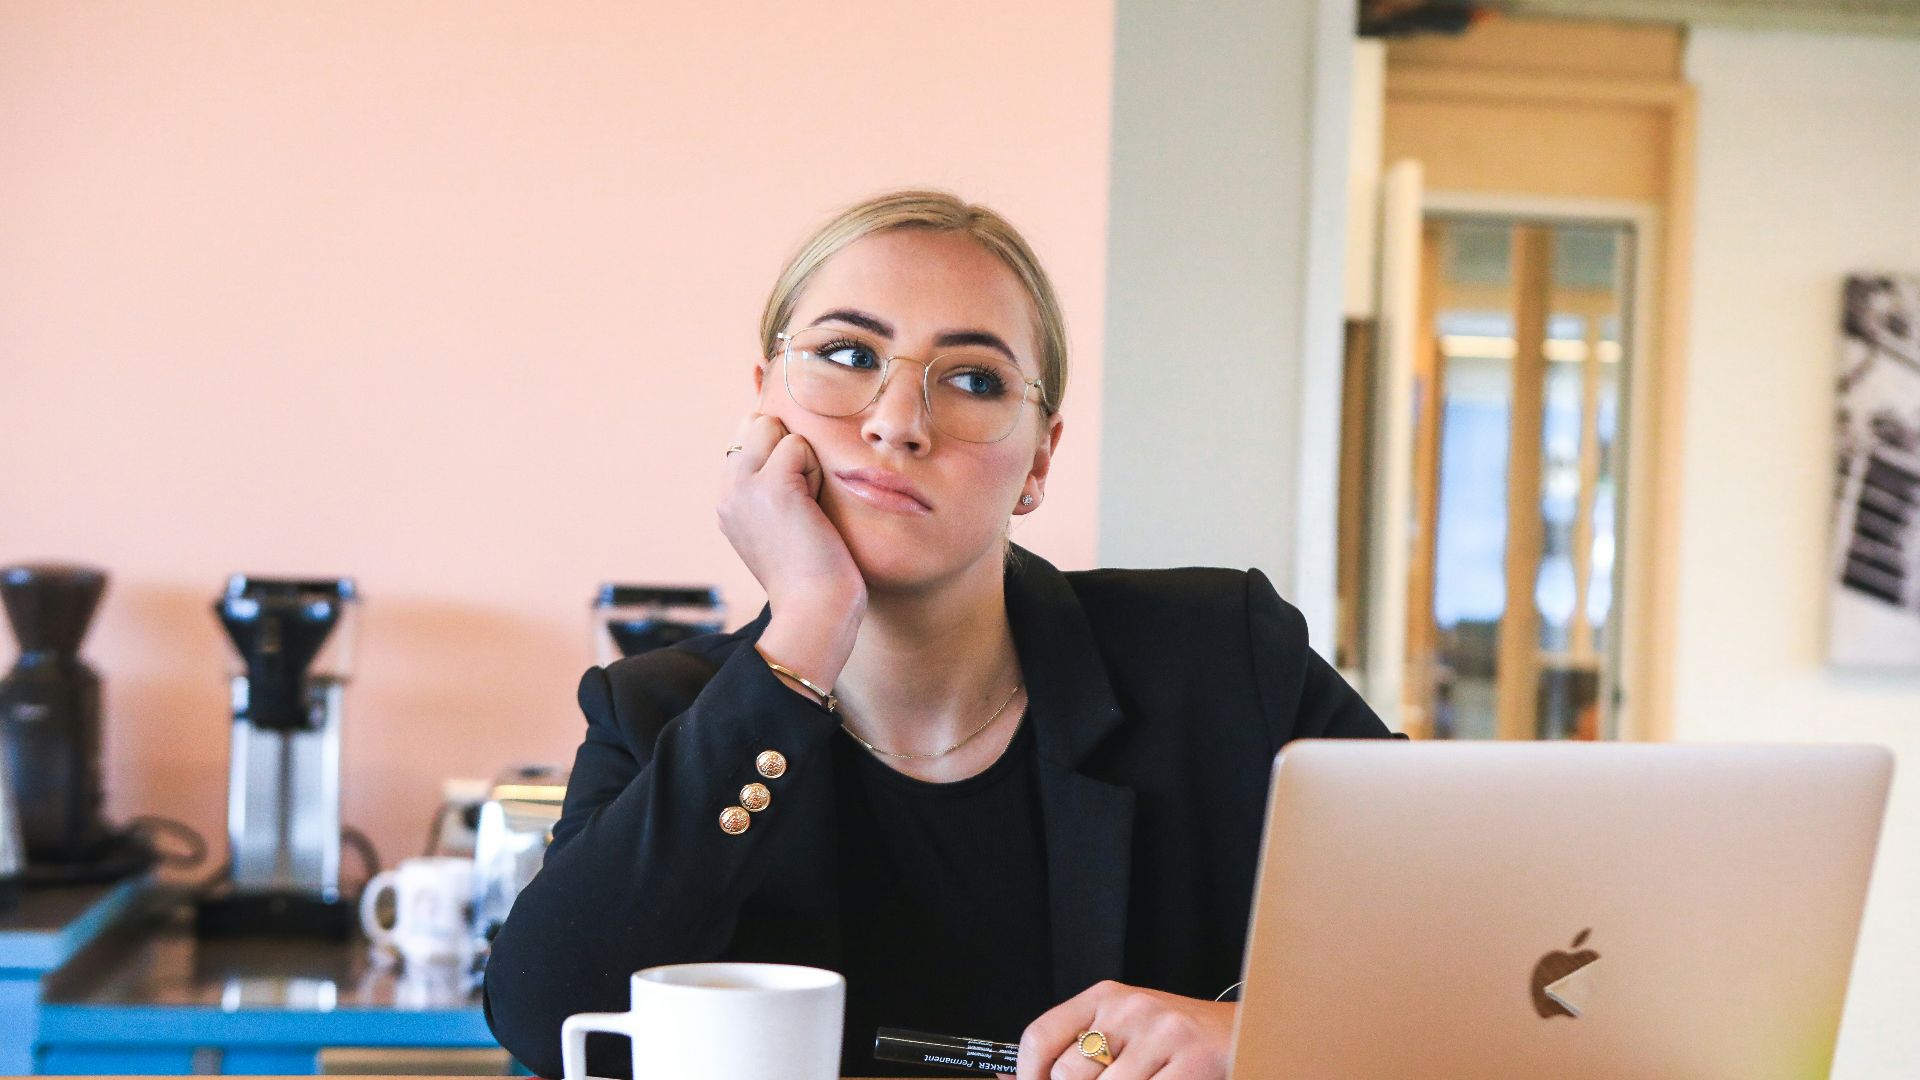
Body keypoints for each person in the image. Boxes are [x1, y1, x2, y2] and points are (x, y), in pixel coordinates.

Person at [483, 190, 1395, 1079]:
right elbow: (548, 1018)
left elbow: (1492, 950)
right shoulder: (659, 711)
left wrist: (1259, 1035)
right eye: (846, 353)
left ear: (1039, 457)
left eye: (972, 379)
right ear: (763, 406)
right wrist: (804, 631)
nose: (896, 422)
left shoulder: (1224, 659)